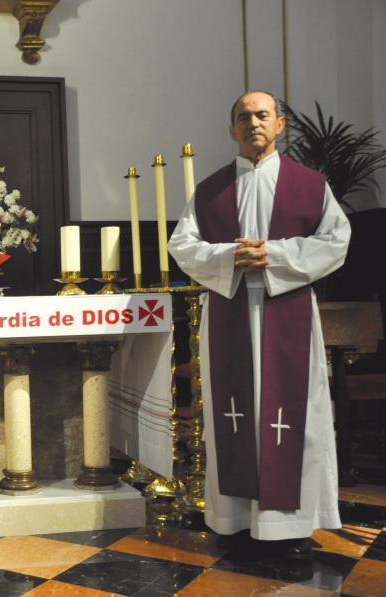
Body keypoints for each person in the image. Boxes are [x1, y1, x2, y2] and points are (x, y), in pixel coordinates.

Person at [168, 91, 351, 560]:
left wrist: (274, 255)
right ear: (232, 129)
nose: (254, 122)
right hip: (229, 308)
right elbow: (182, 245)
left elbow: (336, 241)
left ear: (279, 124)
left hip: (288, 309)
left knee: (295, 419)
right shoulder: (211, 190)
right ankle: (234, 522)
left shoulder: (310, 184)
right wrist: (230, 256)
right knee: (233, 417)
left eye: (262, 114)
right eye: (244, 116)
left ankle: (291, 528)